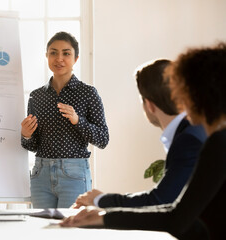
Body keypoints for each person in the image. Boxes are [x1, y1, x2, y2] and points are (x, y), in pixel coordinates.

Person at [61, 43, 226, 240]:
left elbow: (178, 218)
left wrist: (105, 217)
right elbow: (184, 212)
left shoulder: (217, 143)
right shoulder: (217, 139)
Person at [72, 59, 206, 209]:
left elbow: (160, 200)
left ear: (149, 105)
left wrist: (100, 200)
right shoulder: (193, 131)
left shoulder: (188, 140)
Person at [21, 31, 109, 208]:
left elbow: (103, 139)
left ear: (76, 58)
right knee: (41, 230)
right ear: (46, 56)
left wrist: (78, 121)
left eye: (66, 53)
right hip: (40, 174)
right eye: (53, 52)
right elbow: (33, 145)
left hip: (74, 175)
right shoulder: (36, 96)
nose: (59, 58)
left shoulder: (88, 93)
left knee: (72, 232)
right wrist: (26, 135)